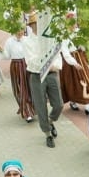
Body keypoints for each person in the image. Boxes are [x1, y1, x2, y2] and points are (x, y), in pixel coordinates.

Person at [24, 13, 64, 148]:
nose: (38, 26)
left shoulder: (49, 37)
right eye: (35, 24)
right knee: (41, 106)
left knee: (58, 104)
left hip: (51, 73)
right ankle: (47, 134)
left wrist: (55, 65)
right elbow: (31, 61)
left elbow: (57, 54)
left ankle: (51, 121)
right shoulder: (27, 41)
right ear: (31, 26)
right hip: (36, 75)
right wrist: (46, 62)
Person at [3, 23, 37, 123]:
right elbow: (6, 56)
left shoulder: (26, 39)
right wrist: (1, 51)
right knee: (20, 88)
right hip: (16, 65)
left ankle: (32, 108)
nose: (20, 32)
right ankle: (26, 111)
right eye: (18, 30)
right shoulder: (9, 41)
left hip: (27, 64)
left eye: (22, 30)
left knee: (30, 87)